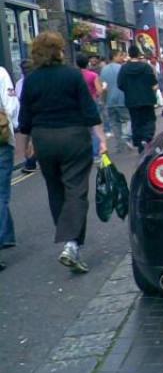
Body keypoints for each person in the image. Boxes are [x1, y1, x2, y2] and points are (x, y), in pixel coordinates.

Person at [19, 31, 107, 273]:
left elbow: (24, 117)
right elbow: (89, 110)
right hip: (73, 138)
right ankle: (71, 244)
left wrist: (25, 146)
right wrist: (100, 138)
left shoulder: (31, 80)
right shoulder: (73, 75)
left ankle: (69, 240)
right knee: (76, 189)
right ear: (59, 50)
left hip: (44, 139)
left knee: (55, 189)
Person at [118, 45, 158, 154]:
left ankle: (139, 142)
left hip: (132, 100)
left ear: (129, 54)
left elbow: (120, 84)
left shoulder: (124, 68)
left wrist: (129, 90)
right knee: (149, 120)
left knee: (136, 122)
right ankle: (147, 138)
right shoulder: (146, 67)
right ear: (138, 53)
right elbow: (153, 82)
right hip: (147, 99)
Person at [0, 65, 19, 271]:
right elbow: (11, 106)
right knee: (1, 194)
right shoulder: (0, 73)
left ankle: (7, 236)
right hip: (1, 141)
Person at [101, 51, 131, 153]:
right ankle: (126, 138)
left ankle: (120, 144)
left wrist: (103, 100)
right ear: (114, 57)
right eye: (120, 55)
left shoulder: (104, 70)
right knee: (126, 120)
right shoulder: (122, 68)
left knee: (114, 123)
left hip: (109, 101)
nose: (123, 57)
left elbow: (103, 87)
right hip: (122, 99)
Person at [76, 53, 104, 161]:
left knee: (81, 129)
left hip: (77, 104)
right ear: (87, 63)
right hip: (92, 103)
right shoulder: (93, 75)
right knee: (95, 128)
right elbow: (99, 90)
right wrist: (96, 95)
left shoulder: (74, 75)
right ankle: (95, 154)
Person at [15, 60, 37, 173]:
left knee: (27, 139)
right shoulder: (37, 80)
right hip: (35, 114)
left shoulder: (20, 83)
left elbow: (18, 99)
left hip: (25, 115)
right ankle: (31, 161)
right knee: (32, 139)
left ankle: (30, 162)